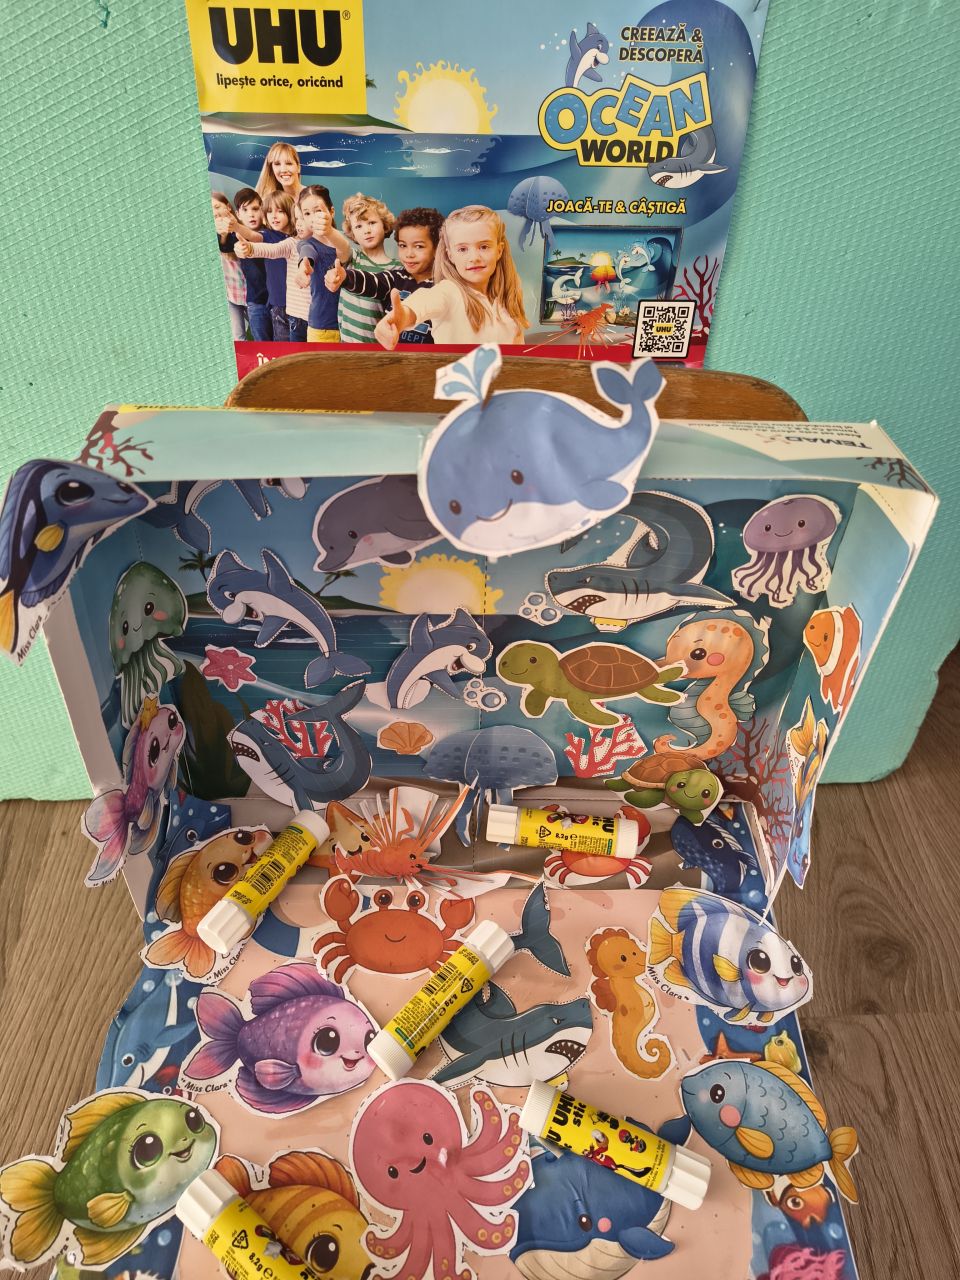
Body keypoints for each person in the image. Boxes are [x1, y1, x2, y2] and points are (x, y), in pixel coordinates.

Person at [374, 205, 527, 349]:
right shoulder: (449, 291)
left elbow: (519, 354)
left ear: (499, 250)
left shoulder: (508, 300)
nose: (474, 257)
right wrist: (403, 317)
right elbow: (424, 301)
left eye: (484, 247)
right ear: (450, 255)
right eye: (462, 249)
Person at [237, 186, 349, 343]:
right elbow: (272, 250)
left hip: (322, 322)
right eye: (297, 219)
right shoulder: (293, 243)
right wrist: (249, 249)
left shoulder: (333, 245)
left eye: (305, 217)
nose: (299, 224)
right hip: (296, 318)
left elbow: (344, 251)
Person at [325, 207, 442, 345]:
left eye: (419, 246)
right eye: (403, 245)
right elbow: (372, 282)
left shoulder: (443, 286)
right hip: (390, 355)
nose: (409, 254)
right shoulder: (396, 278)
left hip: (429, 356)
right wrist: (345, 277)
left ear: (437, 248)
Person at [337, 192, 401, 343]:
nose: (366, 230)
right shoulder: (352, 258)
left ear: (385, 225)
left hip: (377, 350)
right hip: (346, 347)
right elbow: (340, 244)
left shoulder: (396, 270)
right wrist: (327, 229)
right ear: (352, 234)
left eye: (372, 223)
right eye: (358, 226)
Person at [222, 187, 271, 342]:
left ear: (262, 210)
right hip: (255, 301)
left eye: (255, 209)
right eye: (245, 210)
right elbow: (224, 246)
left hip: (278, 302)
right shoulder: (236, 237)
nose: (251, 214)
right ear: (238, 214)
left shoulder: (270, 233)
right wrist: (224, 229)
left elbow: (256, 237)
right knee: (262, 346)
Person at [260, 190, 296, 341]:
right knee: (283, 347)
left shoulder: (299, 236)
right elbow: (252, 236)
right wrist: (236, 226)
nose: (274, 216)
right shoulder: (267, 235)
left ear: (290, 212)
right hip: (279, 304)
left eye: (280, 211)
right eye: (269, 211)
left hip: (300, 306)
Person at [212, 191, 248, 341]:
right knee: (238, 337)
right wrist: (222, 235)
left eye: (217, 207)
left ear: (227, 206)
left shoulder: (241, 227)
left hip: (250, 292)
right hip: (231, 293)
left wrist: (229, 230)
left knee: (263, 335)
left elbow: (235, 252)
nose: (215, 212)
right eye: (211, 209)